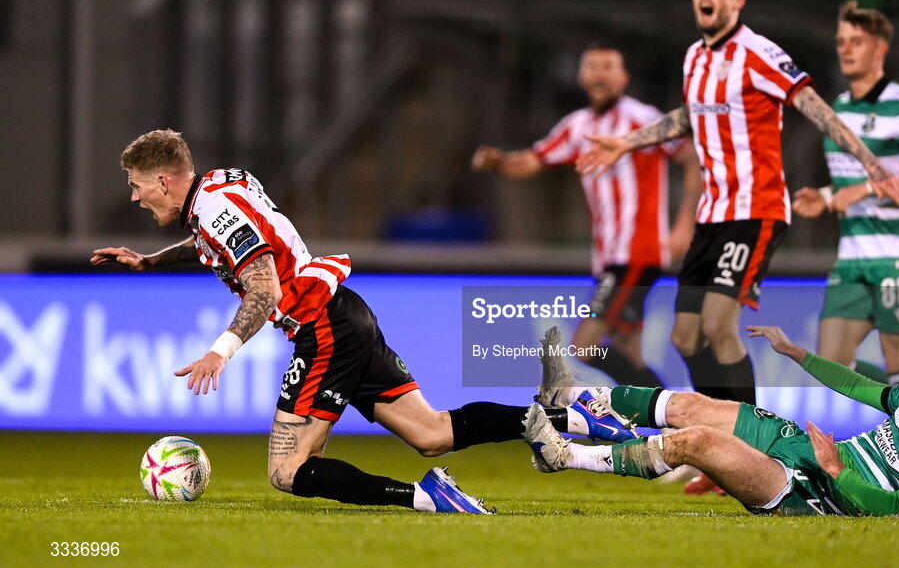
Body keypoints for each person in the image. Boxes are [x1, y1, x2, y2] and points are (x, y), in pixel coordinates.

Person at [91, 130, 638, 514]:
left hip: (322, 325)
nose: (135, 197)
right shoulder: (219, 190)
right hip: (345, 314)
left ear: (164, 180)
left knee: (287, 470)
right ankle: (555, 418)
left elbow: (265, 287)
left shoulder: (213, 209)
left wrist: (221, 350)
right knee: (432, 434)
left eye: (138, 185)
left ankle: (424, 498)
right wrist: (150, 260)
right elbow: (216, 244)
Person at [576, 0, 899, 493]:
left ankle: (751, 448)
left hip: (755, 211)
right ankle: (720, 442)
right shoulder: (693, 57)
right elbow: (690, 115)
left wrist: (872, 164)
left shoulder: (758, 52)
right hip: (712, 213)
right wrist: (627, 141)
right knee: (685, 336)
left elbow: (812, 105)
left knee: (716, 323)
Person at [524, 324, 899, 517]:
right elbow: (852, 385)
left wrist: (835, 470)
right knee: (692, 406)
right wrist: (798, 353)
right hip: (809, 452)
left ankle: (564, 455)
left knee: (696, 442)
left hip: (816, 494)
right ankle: (568, 396)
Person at [473, 41, 701, 388]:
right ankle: (658, 425)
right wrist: (500, 163)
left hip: (638, 252)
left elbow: (691, 158)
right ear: (581, 76)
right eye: (592, 66)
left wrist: (685, 224)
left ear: (623, 78)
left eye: (608, 67)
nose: (599, 73)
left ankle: (673, 412)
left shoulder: (641, 118)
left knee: (584, 345)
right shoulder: (576, 126)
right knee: (627, 349)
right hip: (609, 258)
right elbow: (533, 161)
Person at [793, 1, 899, 384]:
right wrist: (828, 198)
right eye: (841, 41)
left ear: (880, 49)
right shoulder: (839, 109)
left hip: (898, 254)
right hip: (852, 258)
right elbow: (849, 181)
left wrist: (862, 190)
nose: (845, 49)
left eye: (856, 41)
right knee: (829, 365)